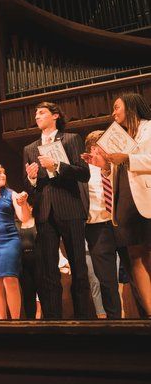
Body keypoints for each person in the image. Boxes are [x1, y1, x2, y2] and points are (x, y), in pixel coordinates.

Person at [23, 101, 92, 319]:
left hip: (70, 207)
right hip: (44, 212)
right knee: (48, 271)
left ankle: (84, 320)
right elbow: (29, 186)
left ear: (55, 116)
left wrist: (58, 167)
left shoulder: (71, 139)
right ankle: (54, 321)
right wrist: (32, 179)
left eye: (41, 112)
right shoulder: (29, 149)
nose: (37, 116)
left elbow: (84, 173)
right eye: (35, 113)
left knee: (78, 268)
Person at [99, 93, 151, 317]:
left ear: (130, 106)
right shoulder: (120, 135)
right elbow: (119, 170)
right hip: (125, 201)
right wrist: (104, 166)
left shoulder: (149, 128)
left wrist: (127, 159)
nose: (113, 112)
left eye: (116, 107)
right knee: (134, 255)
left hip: (146, 198)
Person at [80, 130, 124, 319]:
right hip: (97, 228)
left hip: (121, 223)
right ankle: (115, 323)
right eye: (102, 145)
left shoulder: (118, 165)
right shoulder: (83, 172)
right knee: (106, 280)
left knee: (137, 272)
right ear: (92, 148)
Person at [0, 163, 31, 319]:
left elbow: (24, 218)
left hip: (9, 241)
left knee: (10, 279)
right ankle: (2, 323)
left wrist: (23, 205)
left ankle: (15, 322)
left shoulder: (12, 194)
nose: (3, 175)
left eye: (4, 172)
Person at [17, 216, 39, 319]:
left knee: (42, 292)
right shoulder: (16, 224)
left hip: (38, 260)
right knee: (28, 293)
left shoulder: (38, 221)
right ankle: (31, 321)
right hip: (23, 263)